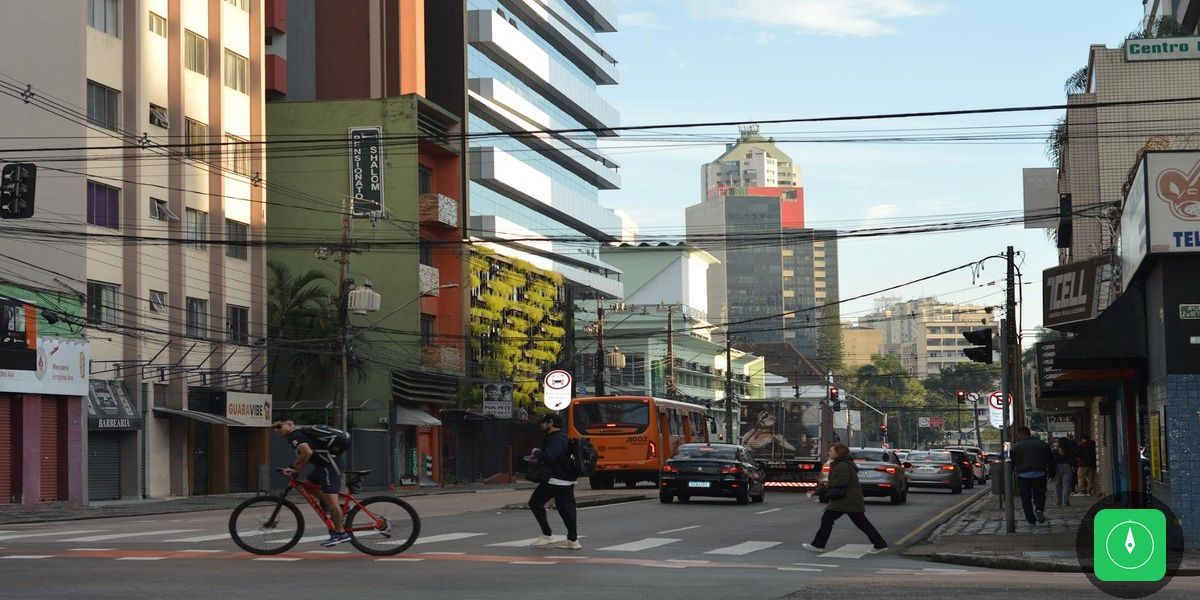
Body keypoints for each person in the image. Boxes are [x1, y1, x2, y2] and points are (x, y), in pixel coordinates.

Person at [273, 419, 349, 547]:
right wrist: (296, 468)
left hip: (329, 466)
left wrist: (293, 466)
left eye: (279, 426)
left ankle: (341, 533)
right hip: (324, 465)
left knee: (331, 502)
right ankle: (338, 509)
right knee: (308, 485)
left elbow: (307, 452)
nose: (276, 429)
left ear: (289, 424)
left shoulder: (294, 435)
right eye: (274, 428)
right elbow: (309, 455)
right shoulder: (300, 433)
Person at [802, 443, 888, 554]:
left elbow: (841, 481)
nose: (829, 453)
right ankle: (880, 544)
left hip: (845, 500)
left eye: (832, 451)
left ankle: (818, 544)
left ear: (839, 453)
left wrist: (821, 490)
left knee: (828, 519)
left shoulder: (842, 465)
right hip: (849, 500)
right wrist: (817, 491)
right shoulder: (840, 464)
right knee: (861, 523)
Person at [527, 414, 580, 550]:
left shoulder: (556, 438)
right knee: (566, 510)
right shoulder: (564, 436)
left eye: (543, 423)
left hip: (555, 479)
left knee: (535, 503)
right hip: (567, 479)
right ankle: (573, 540)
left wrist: (537, 452)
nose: (541, 425)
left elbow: (550, 457)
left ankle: (547, 534)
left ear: (550, 423)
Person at [1010, 426, 1054, 525]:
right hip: (1040, 473)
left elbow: (1011, 462)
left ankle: (1030, 518)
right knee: (1040, 494)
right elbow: (1050, 460)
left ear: (1020, 434)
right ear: (1029, 433)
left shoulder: (1016, 446)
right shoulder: (1042, 444)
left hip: (1023, 474)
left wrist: (1012, 470)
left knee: (1026, 497)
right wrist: (1052, 473)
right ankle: (1039, 509)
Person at [1053, 437, 1076, 507]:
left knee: (1057, 485)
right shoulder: (1070, 450)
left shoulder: (1056, 451)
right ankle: (1065, 502)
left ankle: (1058, 502)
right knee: (1066, 485)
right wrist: (1073, 466)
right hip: (1067, 466)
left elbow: (1053, 460)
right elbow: (1073, 459)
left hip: (1057, 467)